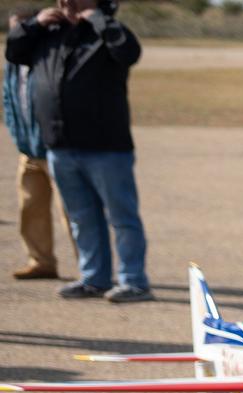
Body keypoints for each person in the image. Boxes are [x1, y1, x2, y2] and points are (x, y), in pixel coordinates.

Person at [6, 0, 148, 301]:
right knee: (81, 218)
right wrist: (34, 24)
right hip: (60, 145)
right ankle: (94, 278)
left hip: (106, 146)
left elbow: (129, 52)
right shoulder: (49, 32)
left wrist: (99, 19)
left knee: (121, 217)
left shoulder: (105, 31)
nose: (64, 2)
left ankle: (133, 281)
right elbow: (14, 51)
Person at [2, 11, 57, 279]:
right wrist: (18, 136)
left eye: (20, 29)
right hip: (28, 150)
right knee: (30, 208)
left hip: (56, 149)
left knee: (73, 214)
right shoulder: (13, 63)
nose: (15, 36)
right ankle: (41, 261)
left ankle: (91, 271)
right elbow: (10, 101)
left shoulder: (49, 58)